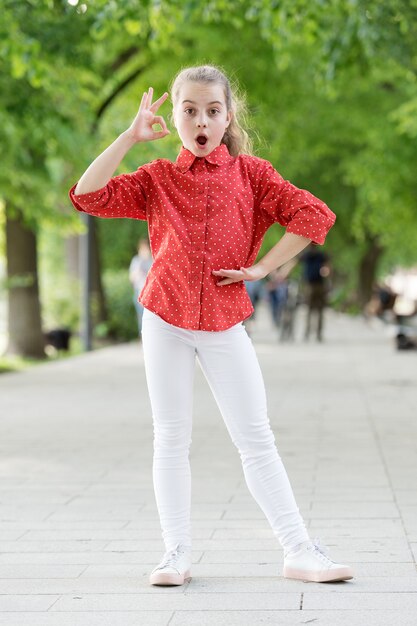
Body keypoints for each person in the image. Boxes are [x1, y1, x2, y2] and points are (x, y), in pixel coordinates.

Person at [69, 65, 354, 586]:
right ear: (174, 117)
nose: (202, 120)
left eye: (213, 110)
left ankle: (299, 550)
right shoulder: (157, 178)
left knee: (256, 437)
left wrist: (265, 269)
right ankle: (174, 554)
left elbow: (315, 216)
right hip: (164, 319)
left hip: (225, 322)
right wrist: (128, 137)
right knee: (170, 438)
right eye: (190, 110)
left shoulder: (254, 176)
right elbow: (87, 195)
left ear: (228, 117)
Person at [300, 244, 331, 342]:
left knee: (316, 310)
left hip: (316, 285)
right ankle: (311, 333)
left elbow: (327, 267)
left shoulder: (318, 255)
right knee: (314, 310)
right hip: (313, 284)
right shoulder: (310, 255)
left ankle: (314, 333)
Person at [129, 237, 153, 339]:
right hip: (139, 292)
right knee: (141, 315)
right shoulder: (136, 260)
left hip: (151, 293)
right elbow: (132, 277)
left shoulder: (153, 259)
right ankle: (143, 336)